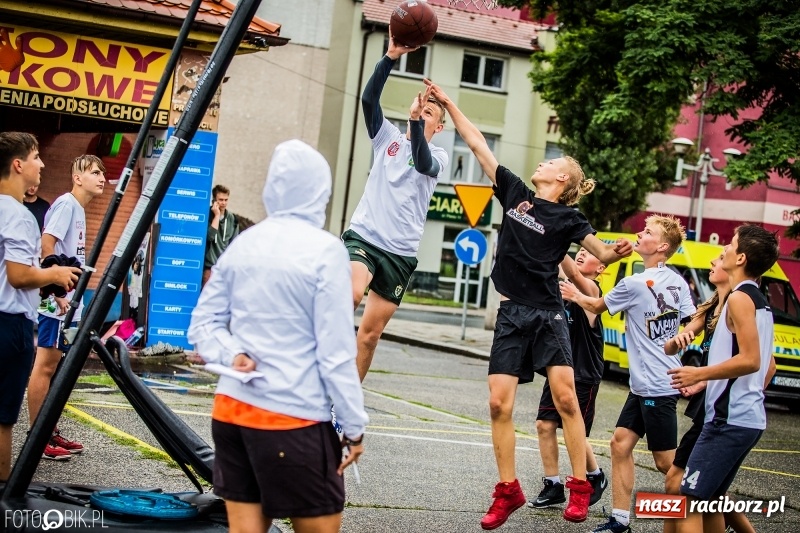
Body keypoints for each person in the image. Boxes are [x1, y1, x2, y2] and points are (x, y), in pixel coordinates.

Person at [425, 80, 632, 528]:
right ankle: (508, 490)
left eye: (552, 161)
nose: (543, 160)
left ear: (563, 179)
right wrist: (449, 103)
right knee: (498, 404)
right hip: (512, 313)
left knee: (566, 401)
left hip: (549, 314)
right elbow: (478, 145)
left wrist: (619, 251)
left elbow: (599, 252)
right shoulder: (516, 193)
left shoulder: (568, 218)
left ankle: (580, 485)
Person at [188, 140, 368, 533]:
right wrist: (354, 427)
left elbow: (202, 323)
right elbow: (336, 353)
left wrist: (232, 352)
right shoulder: (326, 251)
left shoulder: (243, 243)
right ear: (321, 190)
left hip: (233, 412)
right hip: (295, 418)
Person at [560, 215, 696, 533]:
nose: (639, 233)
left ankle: (711, 503)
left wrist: (574, 294)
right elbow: (694, 319)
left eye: (647, 232)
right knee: (620, 444)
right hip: (644, 385)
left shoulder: (634, 283)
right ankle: (620, 520)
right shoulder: (677, 281)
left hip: (657, 387)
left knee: (667, 464)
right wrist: (685, 337)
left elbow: (595, 306)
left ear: (661, 246)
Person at [344, 32, 448, 381]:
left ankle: (345, 406)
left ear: (440, 125)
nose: (421, 113)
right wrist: (390, 56)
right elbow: (369, 101)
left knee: (369, 336)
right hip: (365, 237)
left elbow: (421, 162)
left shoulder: (438, 156)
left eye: (430, 112)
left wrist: (417, 126)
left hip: (400, 252)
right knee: (351, 294)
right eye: (420, 108)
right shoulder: (386, 139)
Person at [667, 225, 779, 533]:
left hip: (729, 421)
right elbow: (766, 365)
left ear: (740, 257)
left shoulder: (741, 299)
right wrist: (710, 382)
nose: (724, 249)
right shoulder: (757, 299)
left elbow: (751, 360)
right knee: (712, 500)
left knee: (689, 500)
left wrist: (699, 372)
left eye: (729, 244)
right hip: (742, 419)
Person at [0, 132, 80, 480]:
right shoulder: (18, 216)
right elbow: (18, 276)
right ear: (18, 165)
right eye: (35, 156)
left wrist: (45, 288)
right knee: (3, 421)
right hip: (9, 326)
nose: (42, 163)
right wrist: (55, 273)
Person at [28, 154, 106, 460]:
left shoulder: (78, 210)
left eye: (102, 173)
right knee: (45, 365)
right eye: (96, 172)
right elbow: (47, 245)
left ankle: (49, 431)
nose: (102, 178)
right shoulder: (65, 204)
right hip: (55, 302)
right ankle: (38, 437)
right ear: (77, 177)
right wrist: (57, 291)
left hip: (68, 302)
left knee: (56, 366)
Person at [530, 249, 608, 510]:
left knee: (576, 433)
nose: (582, 254)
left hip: (584, 373)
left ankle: (595, 475)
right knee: (544, 424)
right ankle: (553, 485)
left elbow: (574, 275)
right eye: (580, 251)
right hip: (559, 368)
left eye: (590, 253)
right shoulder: (562, 289)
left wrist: (559, 240)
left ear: (601, 269)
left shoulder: (592, 291)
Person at [203, 184, 239, 286]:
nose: (223, 203)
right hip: (209, 268)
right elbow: (210, 236)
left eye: (226, 200)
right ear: (214, 200)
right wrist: (217, 215)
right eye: (220, 200)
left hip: (224, 269)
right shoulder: (207, 215)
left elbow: (234, 244)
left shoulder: (232, 219)